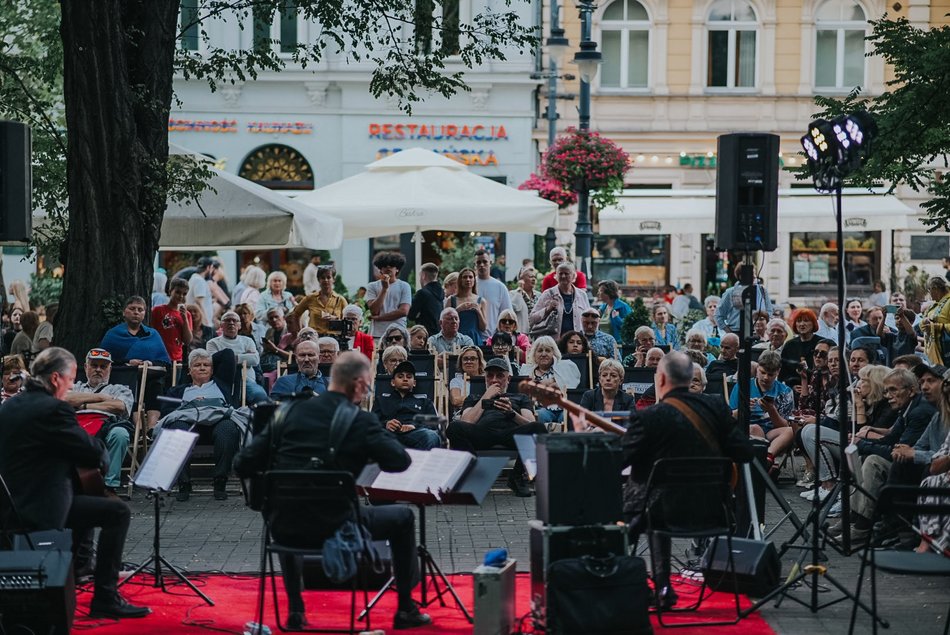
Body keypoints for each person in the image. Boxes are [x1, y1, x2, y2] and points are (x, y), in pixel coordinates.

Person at [233, 352, 433, 630]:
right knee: (403, 518)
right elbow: (400, 461)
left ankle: (295, 611)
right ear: (360, 384)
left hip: (283, 528)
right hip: (339, 526)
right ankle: (405, 610)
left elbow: (242, 463)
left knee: (289, 504)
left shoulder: (286, 412)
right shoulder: (359, 421)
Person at [0, 348, 150, 619]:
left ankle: (80, 567)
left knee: (82, 490)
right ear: (56, 379)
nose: (71, 386)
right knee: (117, 512)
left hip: (10, 505)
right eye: (70, 381)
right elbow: (91, 453)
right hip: (40, 508)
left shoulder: (9, 406)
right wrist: (100, 451)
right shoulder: (54, 409)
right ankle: (105, 596)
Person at [621, 351, 753, 608]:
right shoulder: (716, 408)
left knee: (634, 501)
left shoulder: (648, 417)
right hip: (715, 512)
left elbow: (620, 462)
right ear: (689, 378)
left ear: (660, 380)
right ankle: (663, 588)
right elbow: (745, 453)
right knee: (659, 495)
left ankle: (631, 582)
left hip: (660, 514)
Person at [447, 357, 546, 497]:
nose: (494, 380)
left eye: (500, 376)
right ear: (485, 378)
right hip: (483, 434)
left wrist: (512, 414)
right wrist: (485, 398)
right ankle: (475, 473)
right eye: (490, 376)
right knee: (454, 428)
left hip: (511, 435)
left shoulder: (520, 398)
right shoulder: (474, 397)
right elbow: (466, 422)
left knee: (539, 428)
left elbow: (530, 424)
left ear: (508, 379)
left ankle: (517, 477)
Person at [160, 348, 244, 501]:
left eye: (206, 365)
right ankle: (184, 483)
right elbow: (167, 413)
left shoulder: (221, 384)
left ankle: (220, 481)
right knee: (177, 428)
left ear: (212, 370)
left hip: (217, 424)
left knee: (228, 428)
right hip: (188, 426)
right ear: (189, 370)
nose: (203, 368)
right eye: (197, 365)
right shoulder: (177, 391)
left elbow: (228, 354)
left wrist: (204, 355)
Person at [65, 349, 135, 496]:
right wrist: (101, 398)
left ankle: (108, 486)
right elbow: (65, 400)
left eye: (103, 367)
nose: (98, 370)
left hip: (107, 426)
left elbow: (119, 406)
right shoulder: (74, 386)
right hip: (77, 425)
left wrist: (83, 405)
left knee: (120, 434)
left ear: (109, 369)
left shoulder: (120, 389)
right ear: (85, 367)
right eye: (94, 365)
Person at [100, 296, 171, 430]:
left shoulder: (152, 334)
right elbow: (105, 359)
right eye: (132, 309)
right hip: (123, 378)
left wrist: (150, 363)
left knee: (155, 387)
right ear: (124, 312)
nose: (136, 312)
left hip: (149, 377)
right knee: (131, 387)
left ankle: (151, 429)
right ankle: (136, 429)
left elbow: (164, 361)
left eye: (140, 309)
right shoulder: (113, 334)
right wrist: (128, 362)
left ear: (144, 313)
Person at [729, 351, 795, 473]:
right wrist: (743, 408)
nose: (765, 377)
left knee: (791, 431)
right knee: (755, 428)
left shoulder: (785, 392)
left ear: (778, 372)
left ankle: (766, 459)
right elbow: (730, 418)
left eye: (770, 374)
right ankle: (766, 467)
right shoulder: (742, 386)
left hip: (771, 433)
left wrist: (772, 410)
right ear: (757, 368)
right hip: (747, 430)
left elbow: (784, 425)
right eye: (763, 372)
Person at [372, 360, 442, 450]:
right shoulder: (381, 400)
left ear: (414, 383)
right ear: (392, 382)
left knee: (431, 436)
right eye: (400, 376)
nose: (405, 379)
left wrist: (414, 426)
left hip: (416, 434)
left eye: (409, 377)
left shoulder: (424, 402)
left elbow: (434, 425)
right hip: (388, 435)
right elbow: (372, 423)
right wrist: (386, 424)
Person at [206, 310, 268, 405]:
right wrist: (245, 356)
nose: (231, 323)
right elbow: (211, 362)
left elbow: (255, 360)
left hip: (246, 380)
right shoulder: (212, 343)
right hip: (223, 381)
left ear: (239, 326)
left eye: (234, 321)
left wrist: (229, 358)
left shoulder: (248, 341)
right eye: (227, 320)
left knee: (261, 397)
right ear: (221, 325)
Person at [521, 335, 581, 426]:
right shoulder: (527, 370)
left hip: (563, 408)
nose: (544, 354)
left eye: (548, 350)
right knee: (541, 415)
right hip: (541, 409)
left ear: (554, 353)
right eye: (540, 351)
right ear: (534, 354)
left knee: (568, 416)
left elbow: (572, 383)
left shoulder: (565, 366)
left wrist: (554, 382)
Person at [530, 262, 591, 340]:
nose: (563, 276)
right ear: (556, 276)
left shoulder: (582, 295)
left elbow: (588, 318)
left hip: (576, 343)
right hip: (553, 342)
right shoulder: (548, 294)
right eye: (560, 273)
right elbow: (532, 318)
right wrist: (547, 309)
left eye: (566, 273)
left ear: (573, 276)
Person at [715, 263, 773, 334]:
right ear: (740, 276)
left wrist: (765, 328)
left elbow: (769, 311)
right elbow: (718, 315)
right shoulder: (730, 293)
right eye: (751, 273)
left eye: (754, 273)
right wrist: (729, 332)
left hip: (758, 332)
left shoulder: (762, 291)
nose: (754, 276)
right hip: (737, 332)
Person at [366, 252, 412, 340]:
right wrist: (384, 289)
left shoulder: (404, 286)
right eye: (384, 266)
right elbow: (374, 311)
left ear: (397, 269)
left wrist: (379, 318)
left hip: (398, 333)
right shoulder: (372, 286)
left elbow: (403, 311)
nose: (388, 268)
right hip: (378, 333)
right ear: (380, 269)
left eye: (391, 265)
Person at [292, 265, 348, 335]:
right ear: (318, 279)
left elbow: (348, 322)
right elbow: (296, 314)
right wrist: (300, 333)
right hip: (314, 338)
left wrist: (336, 319)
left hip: (334, 339)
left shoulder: (340, 300)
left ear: (333, 279)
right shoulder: (310, 298)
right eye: (323, 278)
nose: (326, 280)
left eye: (328, 277)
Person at [473, 250, 513, 341]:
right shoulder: (470, 285)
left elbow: (507, 314)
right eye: (478, 262)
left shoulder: (500, 287)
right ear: (474, 264)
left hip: (493, 339)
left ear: (490, 263)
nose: (482, 265)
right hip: (472, 338)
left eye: (485, 262)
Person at [152, 278, 193, 363]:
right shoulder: (157, 310)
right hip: (158, 357)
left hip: (177, 358)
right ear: (170, 291)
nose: (181, 296)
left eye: (184, 294)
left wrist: (185, 319)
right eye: (177, 292)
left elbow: (187, 340)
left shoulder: (187, 314)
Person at [445, 267, 487, 345]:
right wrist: (457, 310)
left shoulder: (481, 301)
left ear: (474, 280)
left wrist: (478, 311)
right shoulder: (451, 300)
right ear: (460, 280)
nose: (468, 279)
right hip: (456, 339)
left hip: (474, 339)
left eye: (470, 277)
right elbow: (444, 322)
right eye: (465, 277)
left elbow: (483, 328)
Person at [779, 308, 822, 383]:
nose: (802, 324)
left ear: (813, 323)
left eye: (806, 320)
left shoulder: (821, 343)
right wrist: (792, 386)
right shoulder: (789, 345)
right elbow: (783, 373)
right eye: (799, 321)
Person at [407, 262, 444, 336]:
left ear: (423, 275)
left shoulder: (422, 293)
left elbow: (411, 315)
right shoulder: (442, 293)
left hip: (425, 334)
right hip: (440, 333)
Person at [921, 276, 950, 366]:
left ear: (935, 288)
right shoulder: (934, 305)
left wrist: (938, 326)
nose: (929, 294)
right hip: (932, 352)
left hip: (946, 352)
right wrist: (925, 322)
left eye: (929, 290)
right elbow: (922, 325)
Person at [449, 346, 486, 411]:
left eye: (473, 358)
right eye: (465, 359)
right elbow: (456, 401)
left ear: (479, 362)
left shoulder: (486, 379)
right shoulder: (456, 381)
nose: (469, 361)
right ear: (461, 362)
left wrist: (467, 400)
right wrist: (482, 399)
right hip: (462, 415)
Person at [186, 256, 216, 328]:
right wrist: (206, 323)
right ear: (208, 267)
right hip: (202, 324)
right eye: (212, 268)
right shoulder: (199, 281)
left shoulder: (195, 279)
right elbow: (198, 302)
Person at [510, 267, 539, 334]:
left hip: (535, 334)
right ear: (521, 279)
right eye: (531, 277)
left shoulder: (539, 295)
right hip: (520, 335)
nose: (533, 279)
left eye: (534, 277)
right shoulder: (513, 294)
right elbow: (515, 308)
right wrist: (520, 290)